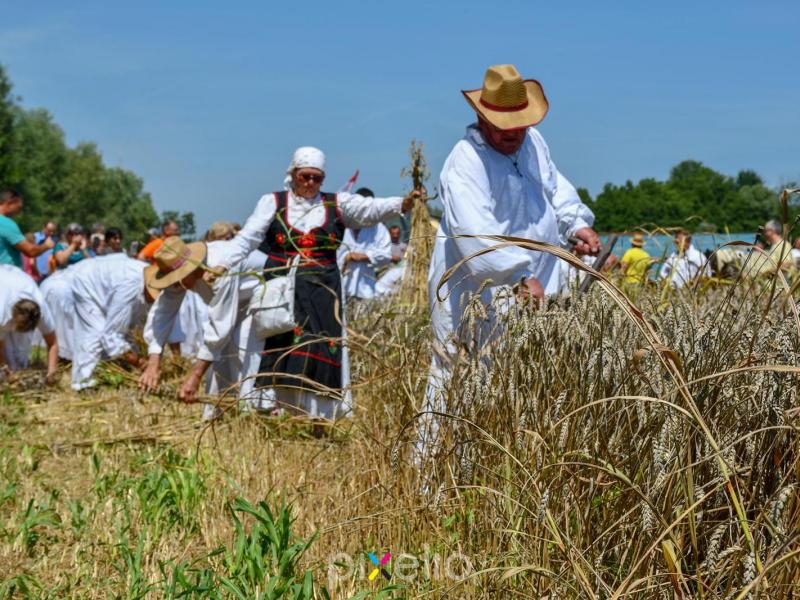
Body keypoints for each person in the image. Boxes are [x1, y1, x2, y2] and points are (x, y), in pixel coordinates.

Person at [425, 65, 599, 434]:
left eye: (521, 124)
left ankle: (500, 467)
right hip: (475, 286)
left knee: (520, 372)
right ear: (481, 117)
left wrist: (576, 224)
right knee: (461, 370)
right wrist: (517, 275)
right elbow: (474, 231)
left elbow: (556, 189)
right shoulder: (465, 161)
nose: (514, 133)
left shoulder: (533, 142)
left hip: (532, 282)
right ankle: (441, 474)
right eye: (505, 127)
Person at [218, 146, 420, 419]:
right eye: (305, 177)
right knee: (276, 346)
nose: (311, 183)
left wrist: (401, 204)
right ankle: (274, 411)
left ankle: (319, 417)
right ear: (293, 175)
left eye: (317, 178)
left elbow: (369, 209)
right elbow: (248, 238)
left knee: (323, 347)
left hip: (323, 292)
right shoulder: (273, 202)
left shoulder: (336, 204)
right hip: (281, 291)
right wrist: (224, 263)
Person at [139, 236, 267, 419]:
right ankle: (215, 417)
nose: (174, 284)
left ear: (189, 269)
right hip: (235, 306)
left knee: (241, 348)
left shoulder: (220, 266)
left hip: (262, 296)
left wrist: (194, 375)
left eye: (176, 279)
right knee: (219, 361)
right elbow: (162, 313)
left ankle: (254, 412)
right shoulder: (181, 275)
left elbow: (219, 328)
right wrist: (153, 360)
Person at [69, 253, 155, 391]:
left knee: (128, 331)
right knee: (95, 334)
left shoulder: (154, 283)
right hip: (88, 282)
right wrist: (139, 361)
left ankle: (109, 371)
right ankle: (82, 384)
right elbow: (111, 335)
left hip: (108, 284)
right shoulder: (129, 288)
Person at [0, 265, 58, 383]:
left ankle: (19, 368)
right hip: (3, 279)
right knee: (6, 355)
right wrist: (6, 370)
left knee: (21, 351)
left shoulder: (42, 310)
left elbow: (53, 343)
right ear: (13, 317)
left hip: (19, 278)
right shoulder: (1, 314)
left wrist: (51, 373)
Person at [337, 187, 393, 300]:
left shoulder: (379, 229)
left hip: (365, 290)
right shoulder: (339, 223)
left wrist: (363, 257)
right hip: (339, 287)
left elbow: (386, 256)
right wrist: (345, 258)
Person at [0, 189, 55, 268]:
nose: (19, 212)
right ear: (10, 203)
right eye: (18, 208)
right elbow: (30, 251)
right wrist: (46, 245)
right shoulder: (6, 223)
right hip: (7, 275)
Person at [374, 223, 408, 297]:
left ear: (400, 234)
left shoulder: (404, 247)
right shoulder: (385, 246)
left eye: (397, 233)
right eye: (393, 234)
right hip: (386, 276)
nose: (395, 236)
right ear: (389, 234)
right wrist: (391, 258)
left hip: (400, 277)